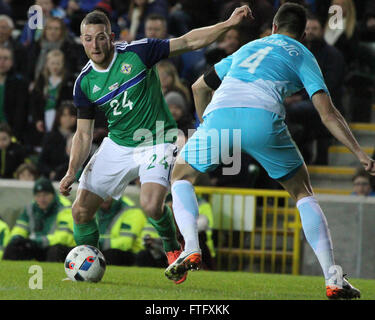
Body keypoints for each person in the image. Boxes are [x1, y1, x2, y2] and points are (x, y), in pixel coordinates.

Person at [165, 3, 375, 299]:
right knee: (302, 192)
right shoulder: (302, 53)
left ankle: (190, 247)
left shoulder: (249, 47)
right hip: (262, 118)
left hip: (220, 115)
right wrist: (359, 153)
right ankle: (332, 278)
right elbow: (328, 114)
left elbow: (199, 86)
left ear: (274, 27)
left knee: (181, 176)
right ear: (302, 34)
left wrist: (206, 124)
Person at [59, 7, 253, 285]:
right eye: (88, 39)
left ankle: (171, 246)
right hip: (118, 144)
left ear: (111, 37)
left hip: (157, 139)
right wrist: (71, 171)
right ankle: (88, 266)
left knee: (151, 206)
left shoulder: (139, 52)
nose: (95, 45)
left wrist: (228, 23)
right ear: (81, 40)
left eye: (101, 37)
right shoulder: (84, 83)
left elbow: (188, 41)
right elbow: (82, 134)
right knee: (79, 211)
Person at [284, 14, 346, 164]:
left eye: (315, 28)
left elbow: (330, 85)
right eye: (308, 29)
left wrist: (300, 97)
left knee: (291, 110)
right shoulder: (298, 54)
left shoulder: (333, 55)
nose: (311, 32)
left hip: (325, 101)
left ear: (322, 31)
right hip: (300, 100)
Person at [3, 177, 75, 262]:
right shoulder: (30, 208)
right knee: (13, 246)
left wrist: (38, 241)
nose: (42, 199)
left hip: (60, 247)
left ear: (53, 194)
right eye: (38, 195)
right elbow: (20, 228)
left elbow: (65, 236)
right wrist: (17, 238)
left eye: (45, 195)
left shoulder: (64, 207)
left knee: (55, 250)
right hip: (37, 245)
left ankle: (51, 273)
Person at [97, 196, 146, 266]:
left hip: (131, 255)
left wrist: (96, 243)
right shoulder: (87, 206)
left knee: (112, 254)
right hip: (101, 250)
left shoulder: (131, 210)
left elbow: (126, 243)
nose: (104, 195)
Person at [37, 101, 77, 181]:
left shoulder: (81, 138)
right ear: (59, 117)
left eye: (71, 115)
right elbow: (41, 163)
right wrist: (50, 172)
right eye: (64, 115)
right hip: (54, 179)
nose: (68, 118)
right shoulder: (50, 137)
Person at [0, 46, 29, 144]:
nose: (2, 62)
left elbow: (21, 112)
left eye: (6, 58)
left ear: (12, 62)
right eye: (0, 58)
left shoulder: (20, 83)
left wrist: (15, 135)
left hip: (11, 135)